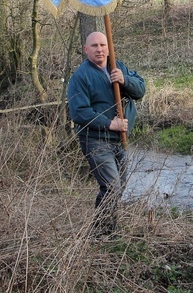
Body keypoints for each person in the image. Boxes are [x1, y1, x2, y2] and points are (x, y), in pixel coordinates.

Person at [67, 31, 145, 236]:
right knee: (111, 187)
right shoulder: (80, 77)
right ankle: (102, 234)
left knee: (118, 188)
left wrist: (125, 80)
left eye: (102, 45)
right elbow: (79, 112)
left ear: (108, 47)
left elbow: (141, 90)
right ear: (86, 50)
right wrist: (110, 123)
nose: (99, 49)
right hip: (95, 140)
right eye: (94, 46)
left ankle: (108, 228)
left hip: (120, 140)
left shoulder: (118, 67)